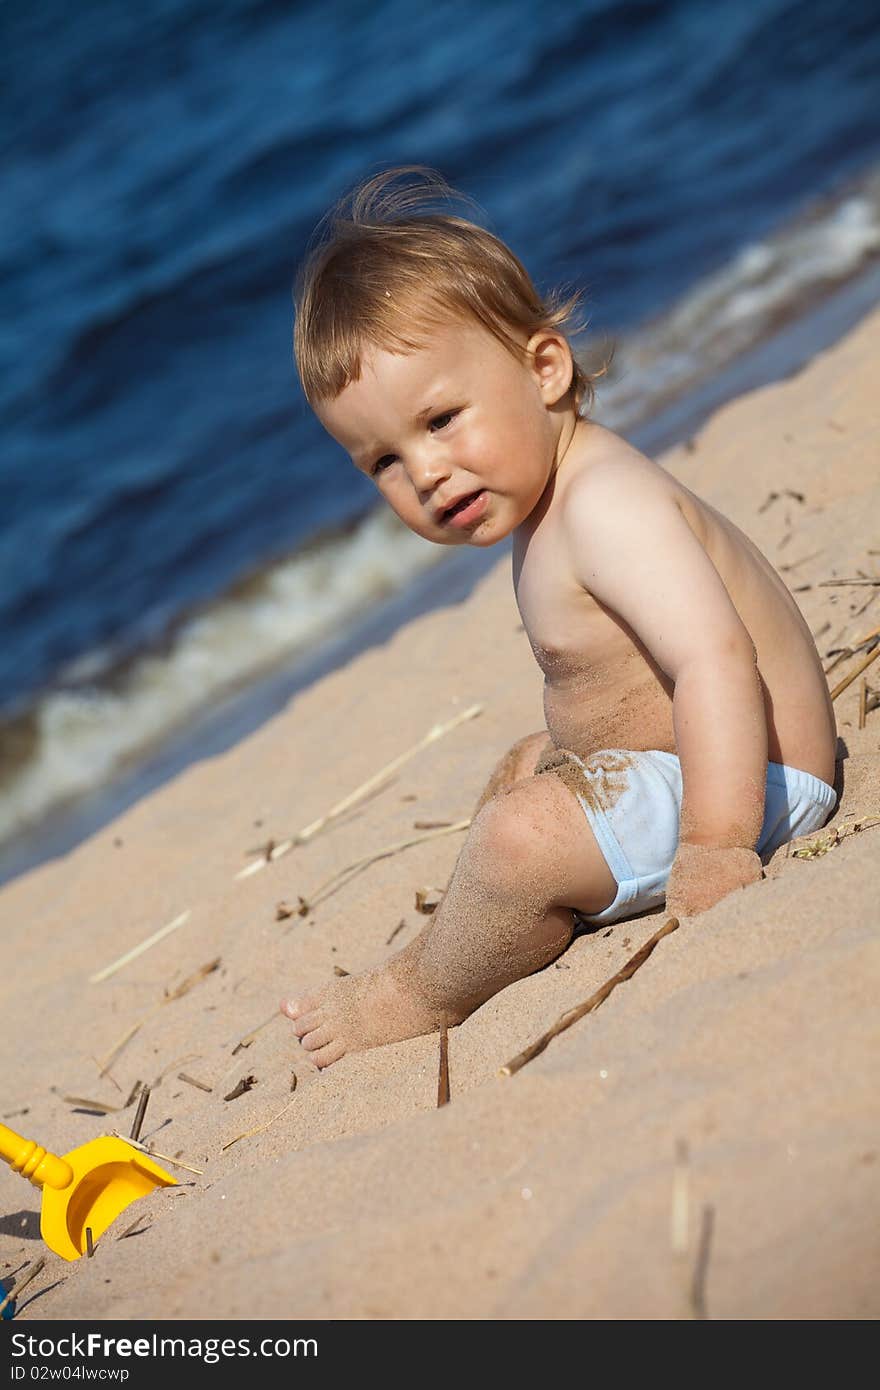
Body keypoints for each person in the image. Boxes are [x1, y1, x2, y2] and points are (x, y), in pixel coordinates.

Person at [280, 166, 838, 1068]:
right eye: (382, 460)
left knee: (518, 834)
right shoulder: (549, 496)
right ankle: (507, 925)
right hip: (683, 764)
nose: (424, 473)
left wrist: (715, 843)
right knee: (523, 769)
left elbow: (715, 662)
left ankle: (415, 993)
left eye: (442, 419)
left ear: (543, 368)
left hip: (757, 782)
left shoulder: (604, 503)